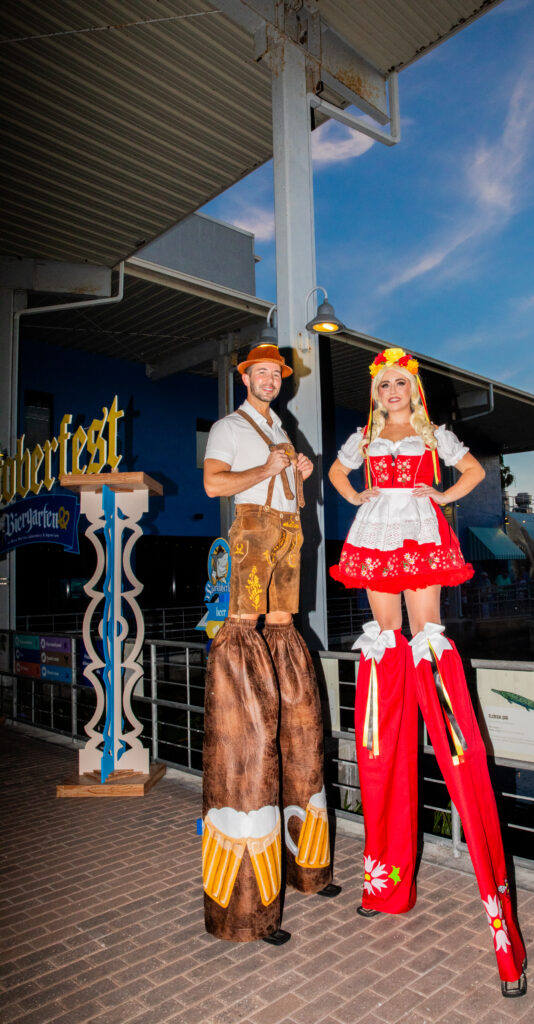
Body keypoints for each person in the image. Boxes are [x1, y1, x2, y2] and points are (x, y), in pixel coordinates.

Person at [328, 347, 526, 997]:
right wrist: (357, 490)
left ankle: (431, 678)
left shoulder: (430, 433)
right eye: (382, 384)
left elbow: (470, 472)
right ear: (375, 391)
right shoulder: (363, 435)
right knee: (385, 644)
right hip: (375, 524)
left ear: (410, 390)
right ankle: (385, 885)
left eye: (397, 384)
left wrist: (438, 491)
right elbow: (336, 473)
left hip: (418, 520)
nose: (389, 391)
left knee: (426, 638)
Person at [202, 343, 340, 946]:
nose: (269, 381)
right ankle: (248, 904)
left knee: (284, 623)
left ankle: (306, 868)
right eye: (260, 373)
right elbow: (214, 486)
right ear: (245, 378)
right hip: (253, 524)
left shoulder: (279, 423)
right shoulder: (231, 426)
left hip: (289, 527)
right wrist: (269, 467)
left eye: (275, 375)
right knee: (249, 622)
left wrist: (300, 469)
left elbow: (288, 471)